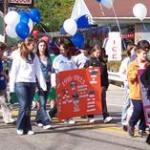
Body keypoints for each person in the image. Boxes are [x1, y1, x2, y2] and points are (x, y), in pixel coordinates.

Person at [9, 37, 47, 135]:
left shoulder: (34, 57)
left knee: (28, 107)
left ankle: (28, 127)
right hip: (20, 83)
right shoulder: (18, 56)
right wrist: (12, 87)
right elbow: (14, 71)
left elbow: (38, 71)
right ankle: (20, 126)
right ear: (27, 45)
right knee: (24, 105)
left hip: (32, 83)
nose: (34, 47)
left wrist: (42, 84)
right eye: (33, 45)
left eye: (34, 45)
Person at [84, 44, 112, 123]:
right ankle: (90, 116)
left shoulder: (102, 62)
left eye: (99, 53)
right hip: (92, 85)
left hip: (101, 84)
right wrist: (88, 69)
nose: (98, 54)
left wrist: (106, 85)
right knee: (91, 100)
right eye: (97, 52)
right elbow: (84, 71)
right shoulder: (89, 61)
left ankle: (105, 116)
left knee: (103, 99)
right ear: (93, 52)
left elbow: (105, 74)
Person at [127, 40, 149, 137]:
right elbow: (130, 78)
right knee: (138, 110)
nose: (145, 55)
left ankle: (142, 129)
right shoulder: (132, 64)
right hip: (136, 93)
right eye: (144, 53)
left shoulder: (148, 64)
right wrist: (138, 69)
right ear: (138, 52)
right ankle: (131, 124)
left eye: (146, 53)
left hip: (146, 93)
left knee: (146, 112)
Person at [52, 39, 77, 124]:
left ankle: (69, 117)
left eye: (63, 49)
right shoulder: (57, 59)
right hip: (60, 82)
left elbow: (76, 70)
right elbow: (53, 71)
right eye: (60, 49)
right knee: (61, 100)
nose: (61, 51)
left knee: (70, 100)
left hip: (70, 83)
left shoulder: (71, 59)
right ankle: (62, 115)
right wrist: (54, 83)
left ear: (67, 50)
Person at [35, 39, 52, 129]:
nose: (42, 47)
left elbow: (51, 69)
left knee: (43, 103)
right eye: (41, 45)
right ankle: (46, 122)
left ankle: (38, 120)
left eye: (44, 45)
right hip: (39, 83)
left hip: (48, 82)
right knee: (42, 103)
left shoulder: (48, 57)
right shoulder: (35, 57)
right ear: (38, 47)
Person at [119, 43, 135, 131]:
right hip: (128, 85)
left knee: (135, 105)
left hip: (136, 86)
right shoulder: (126, 60)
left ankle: (132, 122)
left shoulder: (137, 60)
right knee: (127, 103)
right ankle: (124, 121)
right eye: (133, 50)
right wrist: (126, 80)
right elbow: (121, 72)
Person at [0, 42, 14, 124]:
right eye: (2, 50)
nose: (2, 52)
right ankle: (7, 118)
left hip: (2, 83)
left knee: (4, 101)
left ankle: (7, 118)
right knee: (4, 101)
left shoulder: (2, 59)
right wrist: (5, 75)